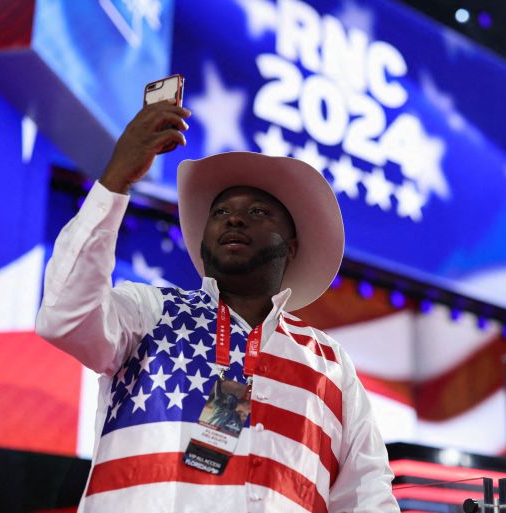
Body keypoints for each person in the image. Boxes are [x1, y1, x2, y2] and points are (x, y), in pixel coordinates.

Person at [36, 100, 400, 513]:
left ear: (292, 247)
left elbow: (367, 497)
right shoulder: (150, 312)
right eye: (221, 211)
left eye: (258, 212)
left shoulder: (330, 364)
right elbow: (63, 317)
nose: (235, 219)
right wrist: (115, 179)